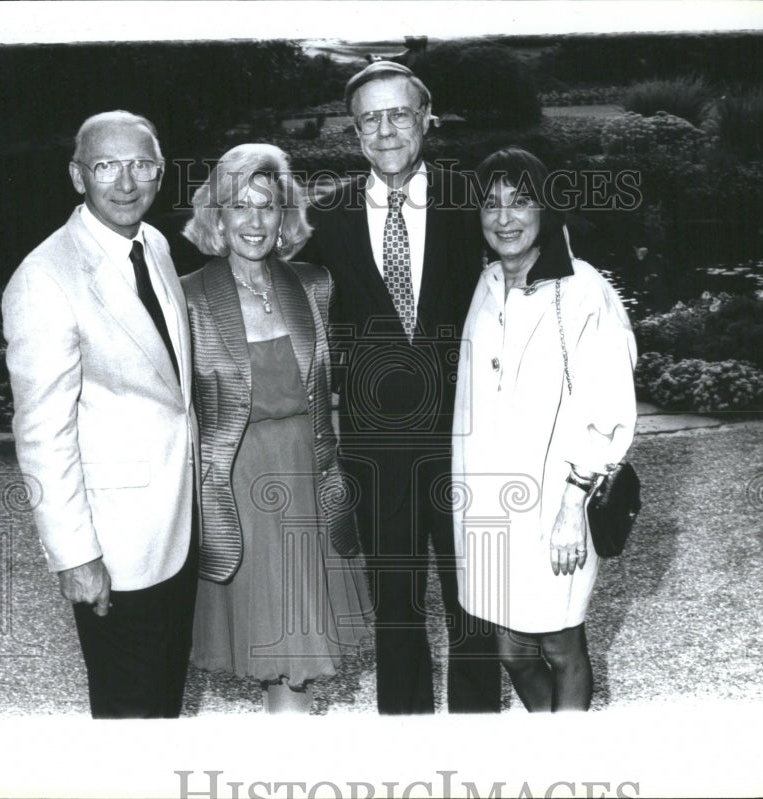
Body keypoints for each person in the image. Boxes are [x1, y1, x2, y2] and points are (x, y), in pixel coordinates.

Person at [298, 61, 501, 714]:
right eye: (370, 119)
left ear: (426, 119)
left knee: (476, 600)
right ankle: (406, 738)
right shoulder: (324, 219)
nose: (386, 130)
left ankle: (481, 741)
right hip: (375, 446)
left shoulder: (473, 200)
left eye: (400, 114)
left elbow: (533, 276)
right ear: (354, 132)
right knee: (396, 605)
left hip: (467, 438)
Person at [2, 110, 198, 718]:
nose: (125, 182)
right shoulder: (45, 278)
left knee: (164, 702)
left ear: (160, 173)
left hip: (178, 527)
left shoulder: (156, 244)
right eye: (106, 165)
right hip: (113, 545)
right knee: (126, 712)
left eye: (141, 165)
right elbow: (41, 433)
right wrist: (75, 555)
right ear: (77, 175)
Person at [181, 143, 372, 713]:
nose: (255, 222)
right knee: (284, 662)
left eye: (268, 207)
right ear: (217, 215)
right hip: (240, 490)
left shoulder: (313, 285)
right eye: (240, 206)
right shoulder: (187, 295)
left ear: (285, 216)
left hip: (311, 480)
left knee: (299, 669)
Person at [451, 148, 637, 711]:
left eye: (520, 201)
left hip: (557, 505)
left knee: (558, 643)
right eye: (491, 203)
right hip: (488, 507)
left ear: (547, 210)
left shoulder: (582, 291)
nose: (504, 217)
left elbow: (609, 404)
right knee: (511, 650)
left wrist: (572, 508)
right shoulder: (485, 284)